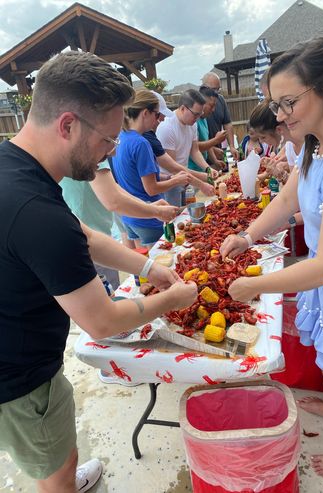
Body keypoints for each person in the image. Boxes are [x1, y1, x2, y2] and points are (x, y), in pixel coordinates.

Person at [0, 51, 198, 493]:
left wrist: (150, 266)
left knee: (59, 453)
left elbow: (83, 233)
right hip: (19, 376)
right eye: (108, 140)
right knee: (52, 470)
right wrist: (172, 299)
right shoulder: (38, 214)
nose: (112, 151)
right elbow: (103, 321)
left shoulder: (14, 166)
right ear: (67, 125)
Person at [220, 37, 323, 482]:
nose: (280, 115)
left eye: (288, 103)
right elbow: (287, 201)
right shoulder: (314, 145)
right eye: (275, 104)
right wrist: (247, 236)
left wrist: (255, 285)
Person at [60, 161, 178, 289]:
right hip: (91, 245)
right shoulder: (91, 151)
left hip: (85, 238)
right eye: (112, 141)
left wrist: (148, 206)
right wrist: (157, 212)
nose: (115, 150)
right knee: (110, 295)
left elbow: (112, 188)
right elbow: (113, 201)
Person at [112, 89, 191, 247]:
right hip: (149, 217)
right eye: (157, 115)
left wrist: (169, 178)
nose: (159, 120)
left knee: (142, 267)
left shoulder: (120, 138)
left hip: (130, 216)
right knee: (159, 265)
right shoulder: (141, 143)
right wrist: (176, 181)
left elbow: (137, 176)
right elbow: (151, 189)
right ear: (145, 113)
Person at [143, 91, 215, 197]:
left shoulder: (193, 124)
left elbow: (194, 151)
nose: (197, 118)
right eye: (195, 114)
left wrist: (207, 168)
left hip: (184, 178)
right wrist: (202, 178)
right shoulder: (166, 128)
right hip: (169, 183)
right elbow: (172, 167)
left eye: (200, 115)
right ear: (182, 108)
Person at [188, 85, 226, 172]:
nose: (213, 110)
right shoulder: (193, 121)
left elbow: (207, 143)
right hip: (192, 169)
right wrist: (216, 140)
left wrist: (215, 161)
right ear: (202, 103)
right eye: (211, 106)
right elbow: (195, 147)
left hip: (202, 167)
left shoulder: (204, 119)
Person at [201, 71, 239, 161]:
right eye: (214, 89)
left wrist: (232, 146)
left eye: (218, 89)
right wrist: (212, 148)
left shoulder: (220, 99)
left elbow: (228, 123)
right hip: (202, 157)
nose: (216, 92)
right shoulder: (198, 109)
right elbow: (193, 144)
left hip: (216, 152)